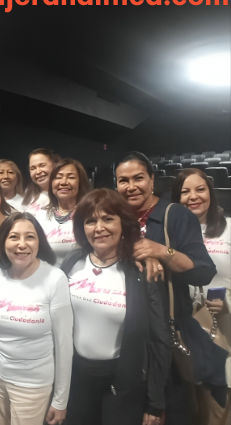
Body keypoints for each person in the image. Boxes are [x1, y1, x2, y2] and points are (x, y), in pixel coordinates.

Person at [115, 151, 218, 425]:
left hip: (167, 331)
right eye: (123, 180)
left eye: (138, 178)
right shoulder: (115, 217)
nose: (131, 186)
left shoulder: (176, 215)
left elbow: (203, 272)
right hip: (126, 334)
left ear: (151, 180)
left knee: (170, 411)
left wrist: (162, 251)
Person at [61, 188, 171, 425]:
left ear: (123, 224)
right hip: (76, 380)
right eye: (91, 221)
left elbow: (159, 339)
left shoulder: (141, 271)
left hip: (123, 384)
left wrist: (155, 402)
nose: (99, 227)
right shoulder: (72, 262)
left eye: (108, 219)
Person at [0, 212, 73, 425]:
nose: (22, 244)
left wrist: (60, 399)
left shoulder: (55, 279)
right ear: (3, 241)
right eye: (14, 237)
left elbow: (64, 344)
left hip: (32, 384)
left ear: (39, 242)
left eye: (30, 237)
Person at [172, 168, 231, 424]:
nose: (193, 196)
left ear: (211, 193)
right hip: (185, 328)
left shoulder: (228, 229)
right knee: (190, 405)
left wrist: (228, 304)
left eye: (200, 189)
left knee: (218, 408)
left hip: (225, 328)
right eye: (185, 191)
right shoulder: (171, 234)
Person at [35, 158, 89, 267]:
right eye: (58, 177)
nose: (63, 182)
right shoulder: (39, 216)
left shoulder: (90, 214)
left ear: (80, 182)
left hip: (84, 276)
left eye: (71, 177)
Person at [22, 148, 61, 216]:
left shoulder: (64, 194)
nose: (38, 172)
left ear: (55, 165)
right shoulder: (29, 192)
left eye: (42, 166)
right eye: (33, 168)